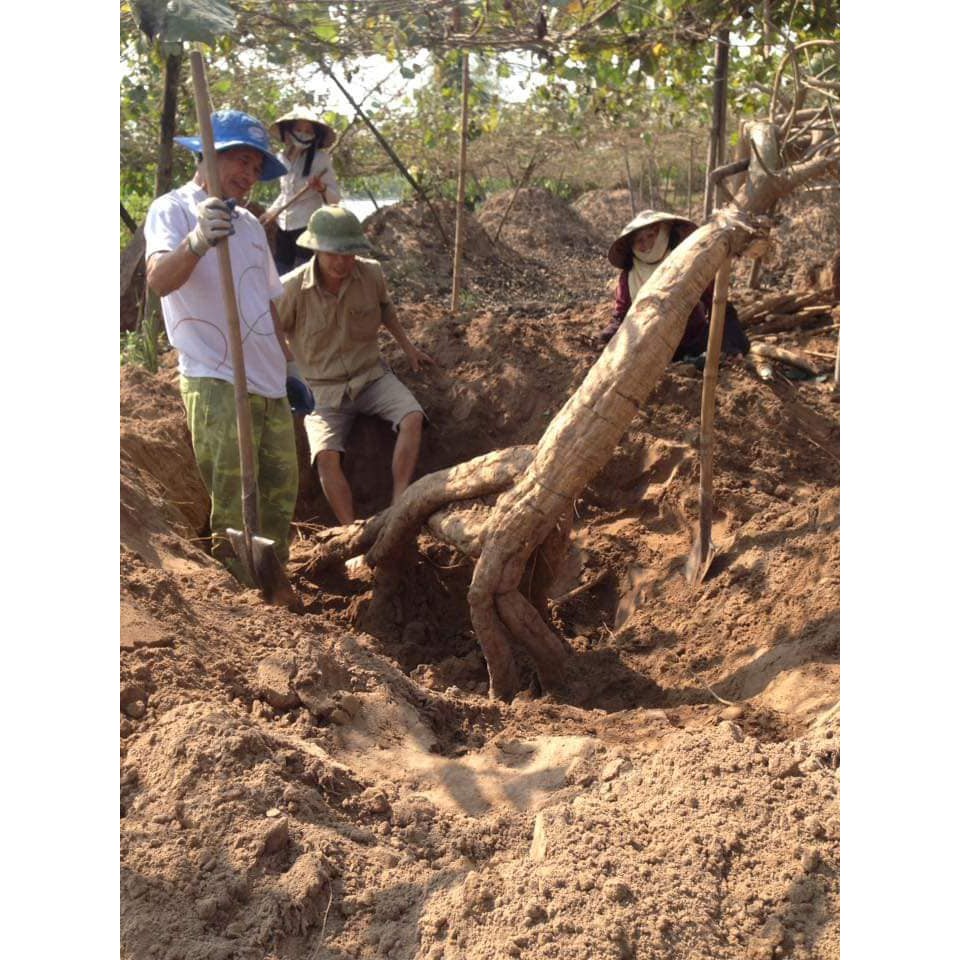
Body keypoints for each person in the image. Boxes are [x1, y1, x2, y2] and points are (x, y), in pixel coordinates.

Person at [144, 109, 315, 584]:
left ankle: (273, 587)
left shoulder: (251, 226)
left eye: (257, 168)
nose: (249, 175)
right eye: (241, 161)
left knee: (280, 493)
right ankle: (240, 600)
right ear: (207, 152)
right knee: (235, 499)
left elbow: (267, 305)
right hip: (217, 376)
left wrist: (289, 366)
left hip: (267, 380)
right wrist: (198, 240)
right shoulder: (174, 209)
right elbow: (159, 279)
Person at [275, 206, 435, 525]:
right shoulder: (289, 287)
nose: (342, 263)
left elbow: (385, 309)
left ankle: (399, 501)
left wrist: (408, 347)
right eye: (334, 254)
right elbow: (270, 328)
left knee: (413, 417)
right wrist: (286, 371)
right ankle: (351, 531)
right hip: (321, 391)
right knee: (325, 457)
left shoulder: (371, 273)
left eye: (349, 254)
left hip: (370, 377)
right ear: (317, 249)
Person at [599, 210, 750, 359]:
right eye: (639, 241)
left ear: (664, 233)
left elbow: (713, 300)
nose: (646, 245)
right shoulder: (629, 275)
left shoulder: (686, 260)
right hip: (649, 342)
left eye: (651, 235)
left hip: (692, 338)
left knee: (730, 336)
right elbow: (622, 314)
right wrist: (608, 337)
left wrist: (729, 336)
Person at [262, 106, 342, 276]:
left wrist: (322, 188)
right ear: (288, 131)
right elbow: (286, 194)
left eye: (308, 131)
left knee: (301, 272)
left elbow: (335, 199)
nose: (303, 134)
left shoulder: (321, 160)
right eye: (299, 129)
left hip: (306, 225)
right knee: (281, 270)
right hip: (283, 225)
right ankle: (282, 302)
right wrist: (271, 212)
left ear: (315, 135)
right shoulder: (281, 158)